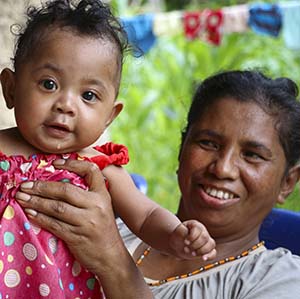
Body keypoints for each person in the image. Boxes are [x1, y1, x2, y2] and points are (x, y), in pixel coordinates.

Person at [16, 70, 300, 298]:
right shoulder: (102, 227)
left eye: (252, 155)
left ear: (288, 182)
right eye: (208, 143)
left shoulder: (279, 280)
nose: (223, 168)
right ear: (182, 150)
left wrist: (113, 263)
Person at [0, 0, 216, 298]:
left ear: (109, 116)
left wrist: (176, 234)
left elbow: (147, 216)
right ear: (10, 88)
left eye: (88, 95)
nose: (66, 105)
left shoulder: (101, 169)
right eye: (49, 84)